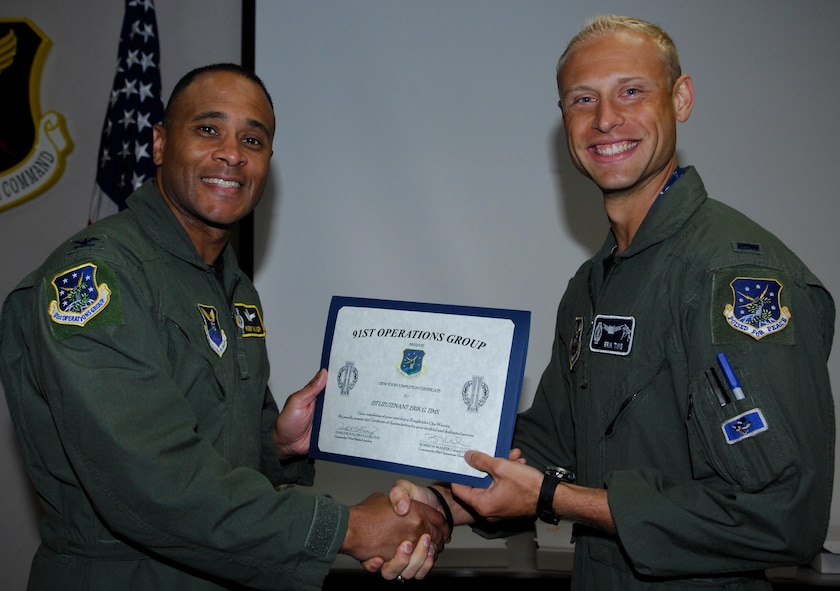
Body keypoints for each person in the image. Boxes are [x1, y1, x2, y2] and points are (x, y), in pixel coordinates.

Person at [385, 14, 836, 589]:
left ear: (682, 98)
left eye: (631, 91)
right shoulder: (592, 284)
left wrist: (557, 498)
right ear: (563, 120)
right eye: (582, 99)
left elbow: (784, 515)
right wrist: (439, 500)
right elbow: (552, 441)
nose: (605, 120)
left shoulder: (732, 276)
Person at [0, 63, 447, 591]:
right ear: (161, 143)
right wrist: (345, 528)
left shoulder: (232, 287)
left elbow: (215, 445)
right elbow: (154, 484)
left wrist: (275, 446)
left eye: (252, 139)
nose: (232, 154)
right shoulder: (99, 280)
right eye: (208, 129)